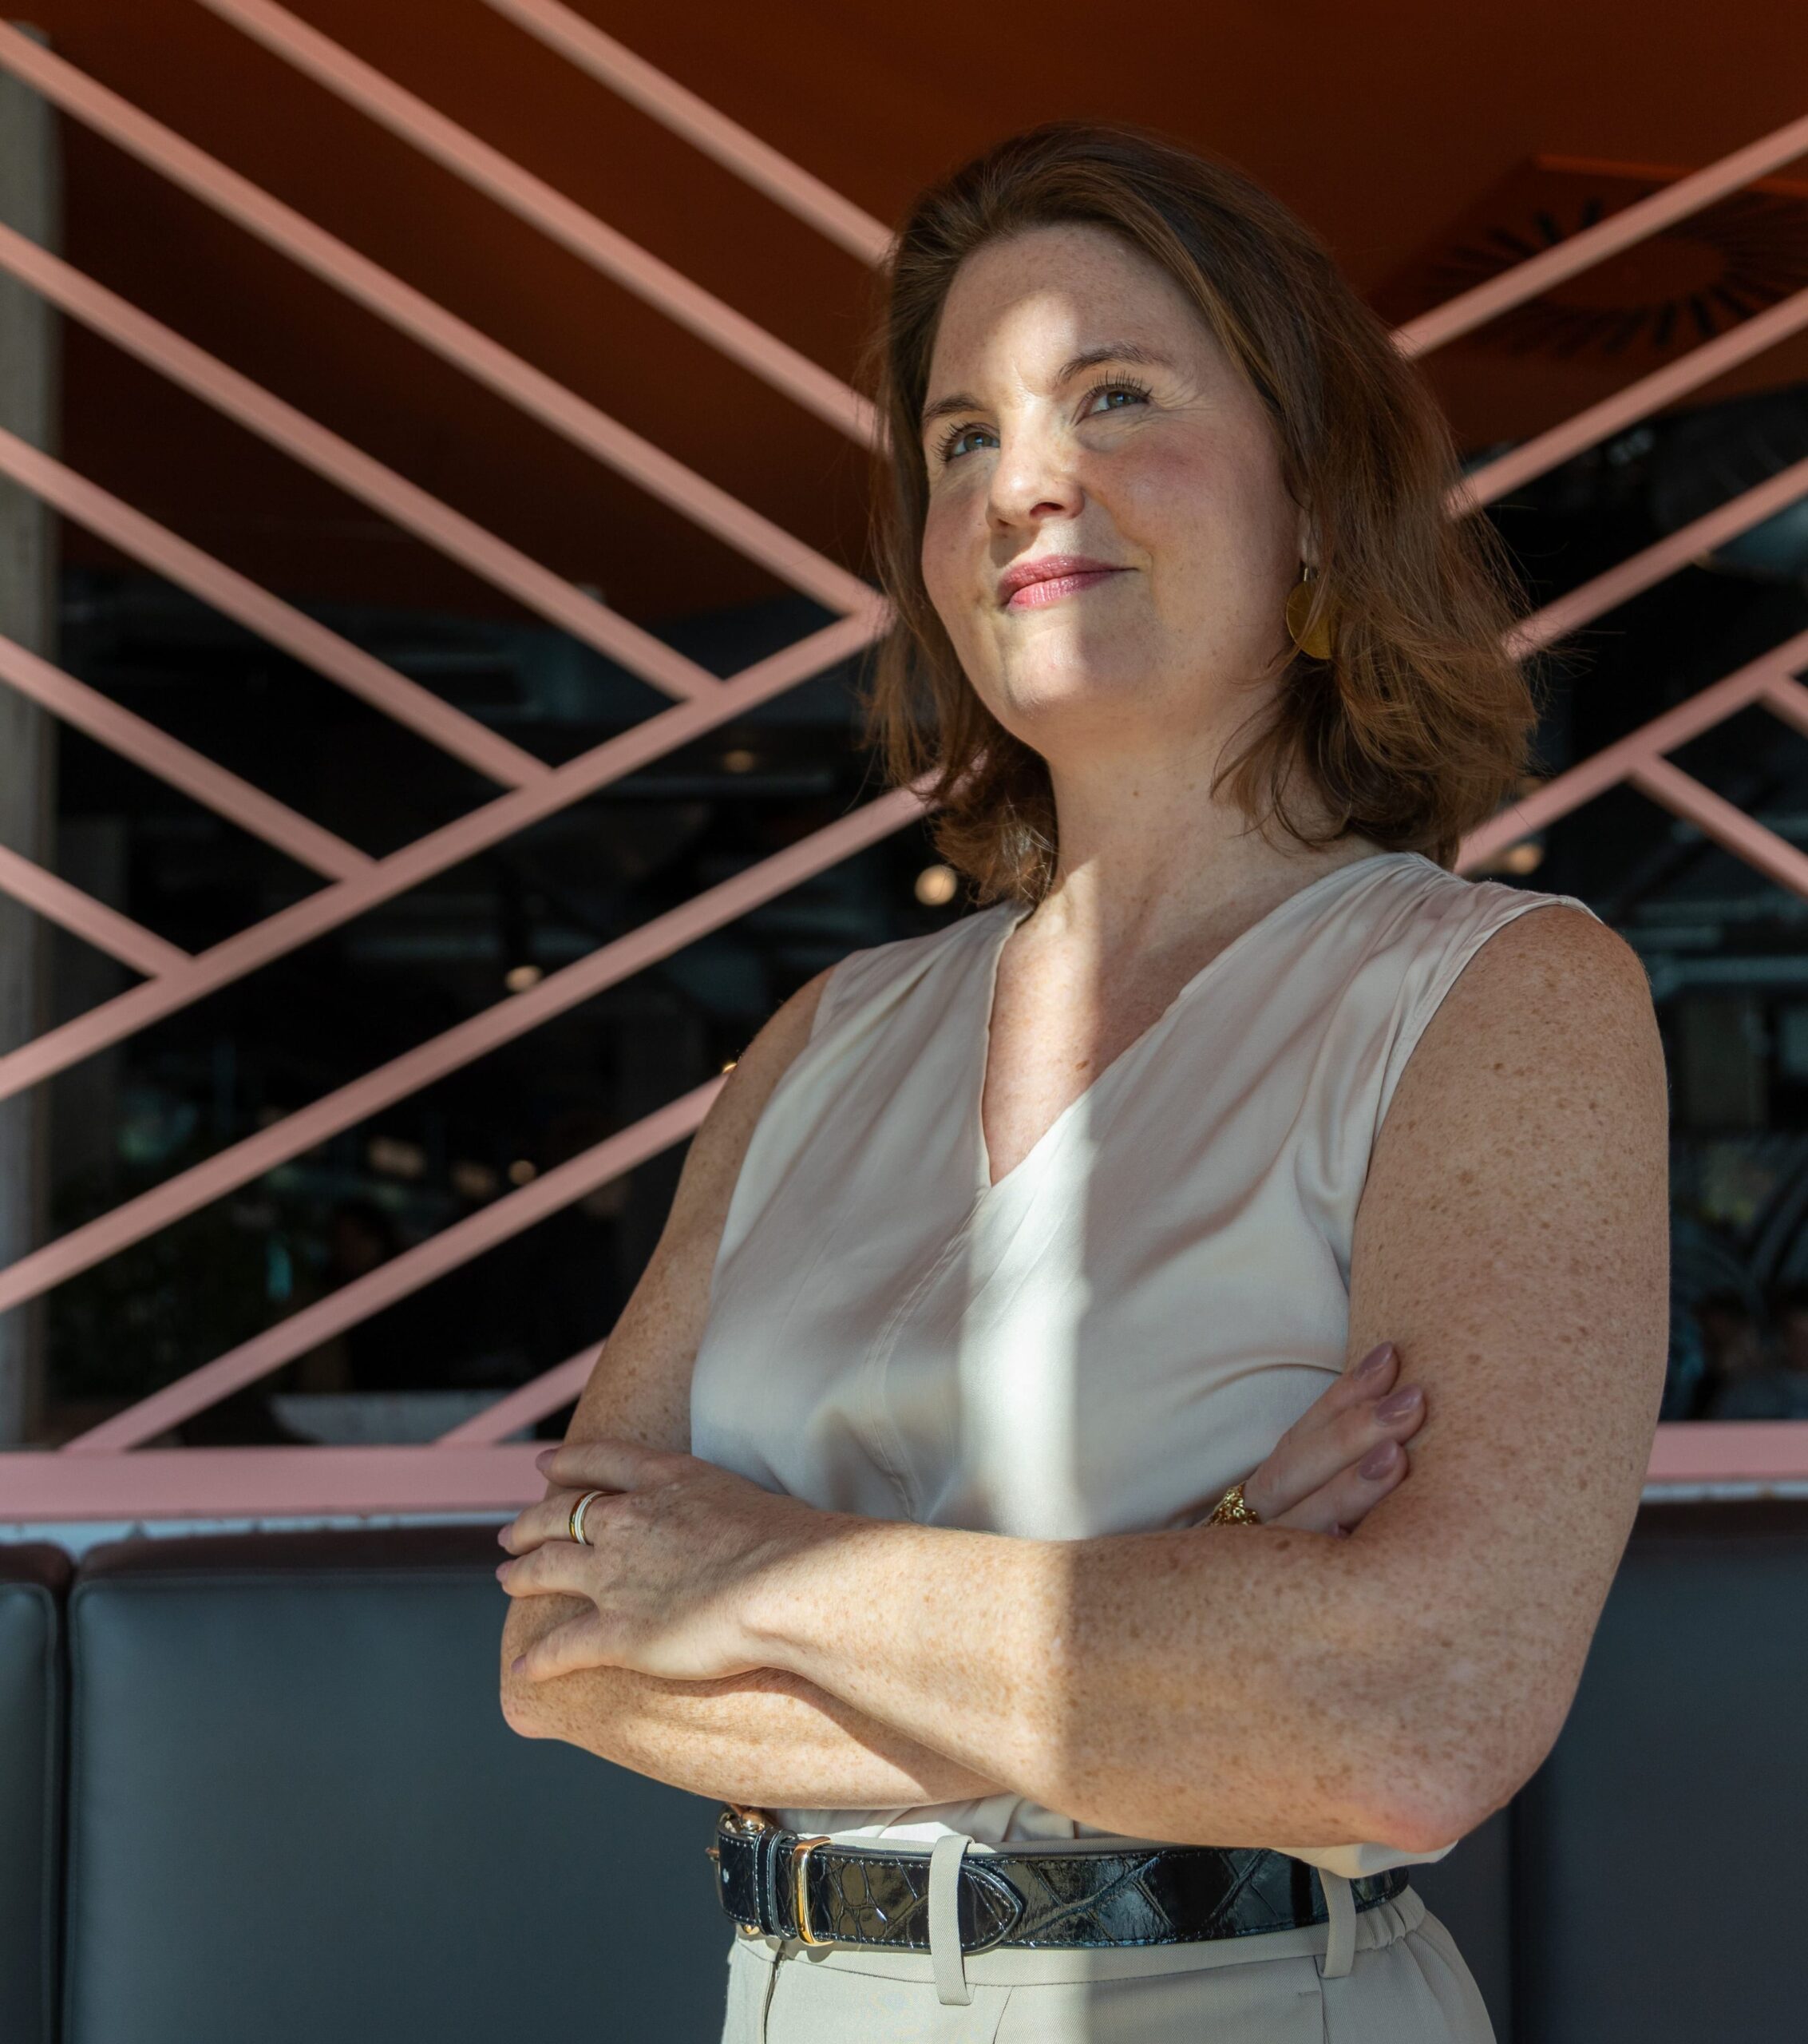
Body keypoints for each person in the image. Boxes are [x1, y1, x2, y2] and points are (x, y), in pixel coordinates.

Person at [496, 123, 1669, 2041]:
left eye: (1113, 396)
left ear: (1314, 497)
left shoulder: (1497, 997)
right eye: (960, 437)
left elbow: (1409, 1719)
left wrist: (765, 1569)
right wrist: (1203, 1587)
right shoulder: (819, 1041)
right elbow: (564, 1644)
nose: (1022, 480)